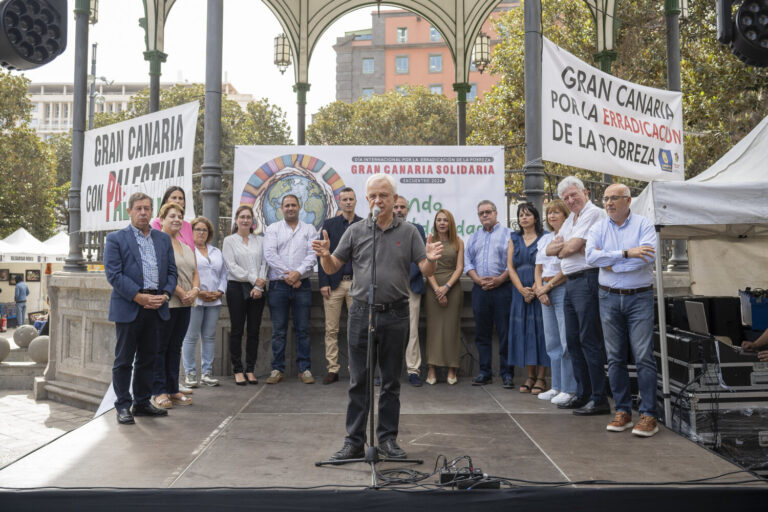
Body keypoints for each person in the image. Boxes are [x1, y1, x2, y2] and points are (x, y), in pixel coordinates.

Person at [313, 173, 442, 461]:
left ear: (395, 199)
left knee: (391, 383)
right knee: (358, 380)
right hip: (361, 313)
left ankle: (387, 441)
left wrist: (431, 258)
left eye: (384, 195)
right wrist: (324, 255)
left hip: (396, 313)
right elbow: (334, 266)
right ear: (367, 198)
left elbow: (426, 269)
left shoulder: (408, 232)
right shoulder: (357, 230)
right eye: (373, 195)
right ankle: (354, 442)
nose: (378, 200)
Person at [586, 183, 659, 437]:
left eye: (613, 198)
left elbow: (648, 257)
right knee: (615, 357)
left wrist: (613, 263)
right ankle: (623, 412)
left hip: (639, 298)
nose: (607, 203)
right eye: (605, 198)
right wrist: (627, 253)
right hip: (608, 297)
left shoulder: (644, 225)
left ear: (628, 201)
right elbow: (591, 258)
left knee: (643, 357)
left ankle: (649, 414)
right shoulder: (598, 227)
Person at [104, 192, 176, 425]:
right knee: (124, 360)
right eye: (138, 208)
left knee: (149, 358)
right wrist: (138, 297)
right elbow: (114, 275)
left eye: (147, 208)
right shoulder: (116, 239)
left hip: (157, 305)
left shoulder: (163, 239)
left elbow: (172, 273)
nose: (143, 212)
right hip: (130, 305)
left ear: (152, 211)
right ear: (129, 211)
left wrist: (164, 295)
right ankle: (123, 405)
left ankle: (142, 403)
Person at [546, 176, 608, 415]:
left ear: (586, 192)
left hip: (587, 279)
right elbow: (551, 248)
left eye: (574, 195)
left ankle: (599, 397)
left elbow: (569, 248)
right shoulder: (572, 219)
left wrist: (566, 248)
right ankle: (583, 393)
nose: (571, 200)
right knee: (572, 341)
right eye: (566, 198)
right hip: (571, 283)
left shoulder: (594, 213)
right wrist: (566, 248)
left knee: (588, 339)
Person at [263, 194, 318, 385]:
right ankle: (277, 369)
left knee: (302, 329)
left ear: (300, 207)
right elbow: (270, 255)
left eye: (293, 205)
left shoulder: (309, 229)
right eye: (287, 205)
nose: (290, 208)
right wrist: (289, 275)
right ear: (281, 208)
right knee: (278, 330)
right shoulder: (273, 229)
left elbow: (313, 255)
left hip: (302, 286)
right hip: (279, 286)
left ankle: (305, 369)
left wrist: (298, 273)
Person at [151, 203, 199, 409]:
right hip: (168, 302)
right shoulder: (157, 242)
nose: (177, 219)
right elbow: (161, 274)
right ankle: (159, 391)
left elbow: (195, 272)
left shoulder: (186, 245)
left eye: (180, 216)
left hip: (186, 303)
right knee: (160, 347)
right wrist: (181, 293)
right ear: (161, 220)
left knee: (175, 347)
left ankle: (172, 388)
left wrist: (194, 291)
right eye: (172, 216)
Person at [464, 200, 514, 387]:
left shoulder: (509, 235)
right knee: (482, 333)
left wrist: (501, 279)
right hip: (480, 289)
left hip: (503, 289)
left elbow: (513, 262)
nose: (484, 215)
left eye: (488, 212)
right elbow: (467, 261)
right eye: (481, 213)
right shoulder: (474, 237)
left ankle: (507, 373)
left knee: (505, 332)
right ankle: (484, 372)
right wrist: (477, 279)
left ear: (496, 213)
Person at [534, 199, 577, 405]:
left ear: (565, 215)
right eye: (549, 213)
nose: (552, 216)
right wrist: (539, 289)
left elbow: (567, 268)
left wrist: (547, 287)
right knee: (552, 342)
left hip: (560, 289)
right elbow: (538, 267)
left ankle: (569, 389)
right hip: (544, 290)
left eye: (556, 212)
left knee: (565, 340)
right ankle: (557, 386)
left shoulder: (569, 237)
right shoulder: (544, 239)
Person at [318, 187, 362, 385]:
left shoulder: (365, 224)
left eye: (351, 199)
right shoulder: (330, 224)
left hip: (358, 285)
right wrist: (323, 282)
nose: (348, 202)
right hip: (334, 284)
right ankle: (333, 369)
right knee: (331, 330)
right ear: (339, 202)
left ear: (355, 201)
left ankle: (355, 369)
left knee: (358, 329)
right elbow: (322, 254)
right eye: (344, 199)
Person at [222, 205, 269, 385]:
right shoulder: (229, 241)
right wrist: (253, 279)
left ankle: (250, 368)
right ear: (236, 219)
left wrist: (259, 285)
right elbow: (231, 266)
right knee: (237, 329)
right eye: (242, 217)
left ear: (252, 221)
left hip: (258, 290)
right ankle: (237, 369)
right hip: (237, 288)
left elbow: (265, 264)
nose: (245, 220)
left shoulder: (260, 241)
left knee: (254, 330)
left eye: (248, 217)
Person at [507, 203, 550, 394]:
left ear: (535, 217)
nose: (524, 218)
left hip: (539, 290)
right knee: (524, 332)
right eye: (521, 215)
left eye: (528, 214)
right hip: (520, 292)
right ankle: (530, 375)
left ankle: (541, 378)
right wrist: (521, 290)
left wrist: (534, 288)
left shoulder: (545, 237)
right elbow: (510, 266)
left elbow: (547, 265)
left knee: (540, 332)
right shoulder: (514, 238)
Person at [182, 216, 228, 388]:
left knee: (209, 337)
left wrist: (220, 291)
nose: (201, 232)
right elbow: (185, 274)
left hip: (214, 300)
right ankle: (190, 373)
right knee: (191, 337)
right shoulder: (187, 250)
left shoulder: (216, 251)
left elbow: (224, 274)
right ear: (191, 231)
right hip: (195, 299)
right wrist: (199, 292)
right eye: (198, 229)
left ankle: (207, 373)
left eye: (205, 230)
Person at [424, 209, 464, 385]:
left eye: (445, 220)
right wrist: (437, 290)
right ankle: (431, 368)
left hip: (452, 288)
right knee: (433, 329)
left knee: (451, 329)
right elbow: (427, 267)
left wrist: (446, 288)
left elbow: (460, 268)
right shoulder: (430, 241)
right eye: (439, 220)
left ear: (450, 223)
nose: (442, 223)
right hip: (432, 287)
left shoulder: (458, 242)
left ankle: (451, 368)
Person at [394, 195, 427, 387]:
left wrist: (406, 277)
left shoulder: (417, 229)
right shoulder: (384, 229)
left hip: (411, 286)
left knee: (412, 330)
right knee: (387, 331)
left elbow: (420, 257)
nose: (399, 210)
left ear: (407, 210)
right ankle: (387, 370)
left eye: (402, 207)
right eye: (396, 207)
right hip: (389, 287)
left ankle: (413, 369)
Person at [151, 185, 194, 250]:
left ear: (184, 203)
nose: (177, 201)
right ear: (166, 201)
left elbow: (192, 251)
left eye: (180, 198)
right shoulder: (157, 222)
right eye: (174, 198)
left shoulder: (188, 226)